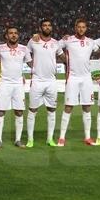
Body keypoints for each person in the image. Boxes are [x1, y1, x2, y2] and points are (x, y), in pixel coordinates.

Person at [57, 18, 99, 147]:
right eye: (79, 27)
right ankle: (62, 137)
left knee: (87, 107)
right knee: (69, 106)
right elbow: (55, 47)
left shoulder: (91, 42)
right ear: (75, 27)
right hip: (73, 78)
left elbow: (99, 48)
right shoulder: (68, 40)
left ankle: (87, 137)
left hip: (86, 78)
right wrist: (65, 60)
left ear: (86, 28)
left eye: (83, 27)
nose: (81, 29)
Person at [26, 19, 65, 148]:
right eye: (45, 25)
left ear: (51, 28)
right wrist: (33, 66)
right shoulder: (33, 41)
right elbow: (27, 55)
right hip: (37, 80)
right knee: (32, 110)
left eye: (49, 25)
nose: (47, 27)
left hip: (51, 81)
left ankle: (50, 139)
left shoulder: (55, 43)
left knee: (52, 109)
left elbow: (62, 57)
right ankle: (30, 139)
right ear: (40, 27)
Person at [0, 26, 32, 148]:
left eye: (15, 33)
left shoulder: (24, 49)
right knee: (0, 111)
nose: (13, 35)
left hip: (18, 84)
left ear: (18, 35)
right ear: (6, 36)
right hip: (4, 83)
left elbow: (31, 64)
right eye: (11, 33)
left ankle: (18, 140)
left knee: (19, 111)